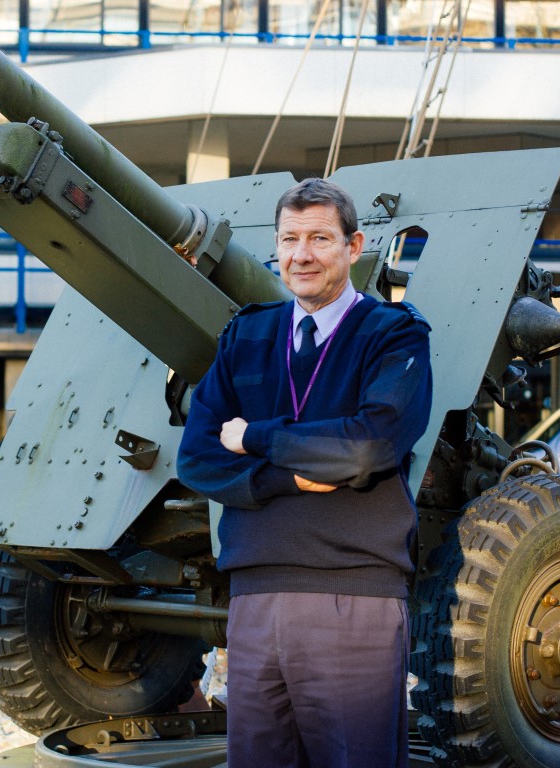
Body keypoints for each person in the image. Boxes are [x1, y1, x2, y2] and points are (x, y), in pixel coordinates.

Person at [177, 177, 433, 768]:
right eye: (289, 239)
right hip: (253, 596)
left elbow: (366, 449)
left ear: (354, 245)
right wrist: (288, 476)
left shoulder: (395, 335)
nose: (302, 254)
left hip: (353, 593)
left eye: (320, 237)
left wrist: (257, 437)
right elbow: (197, 456)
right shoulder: (247, 334)